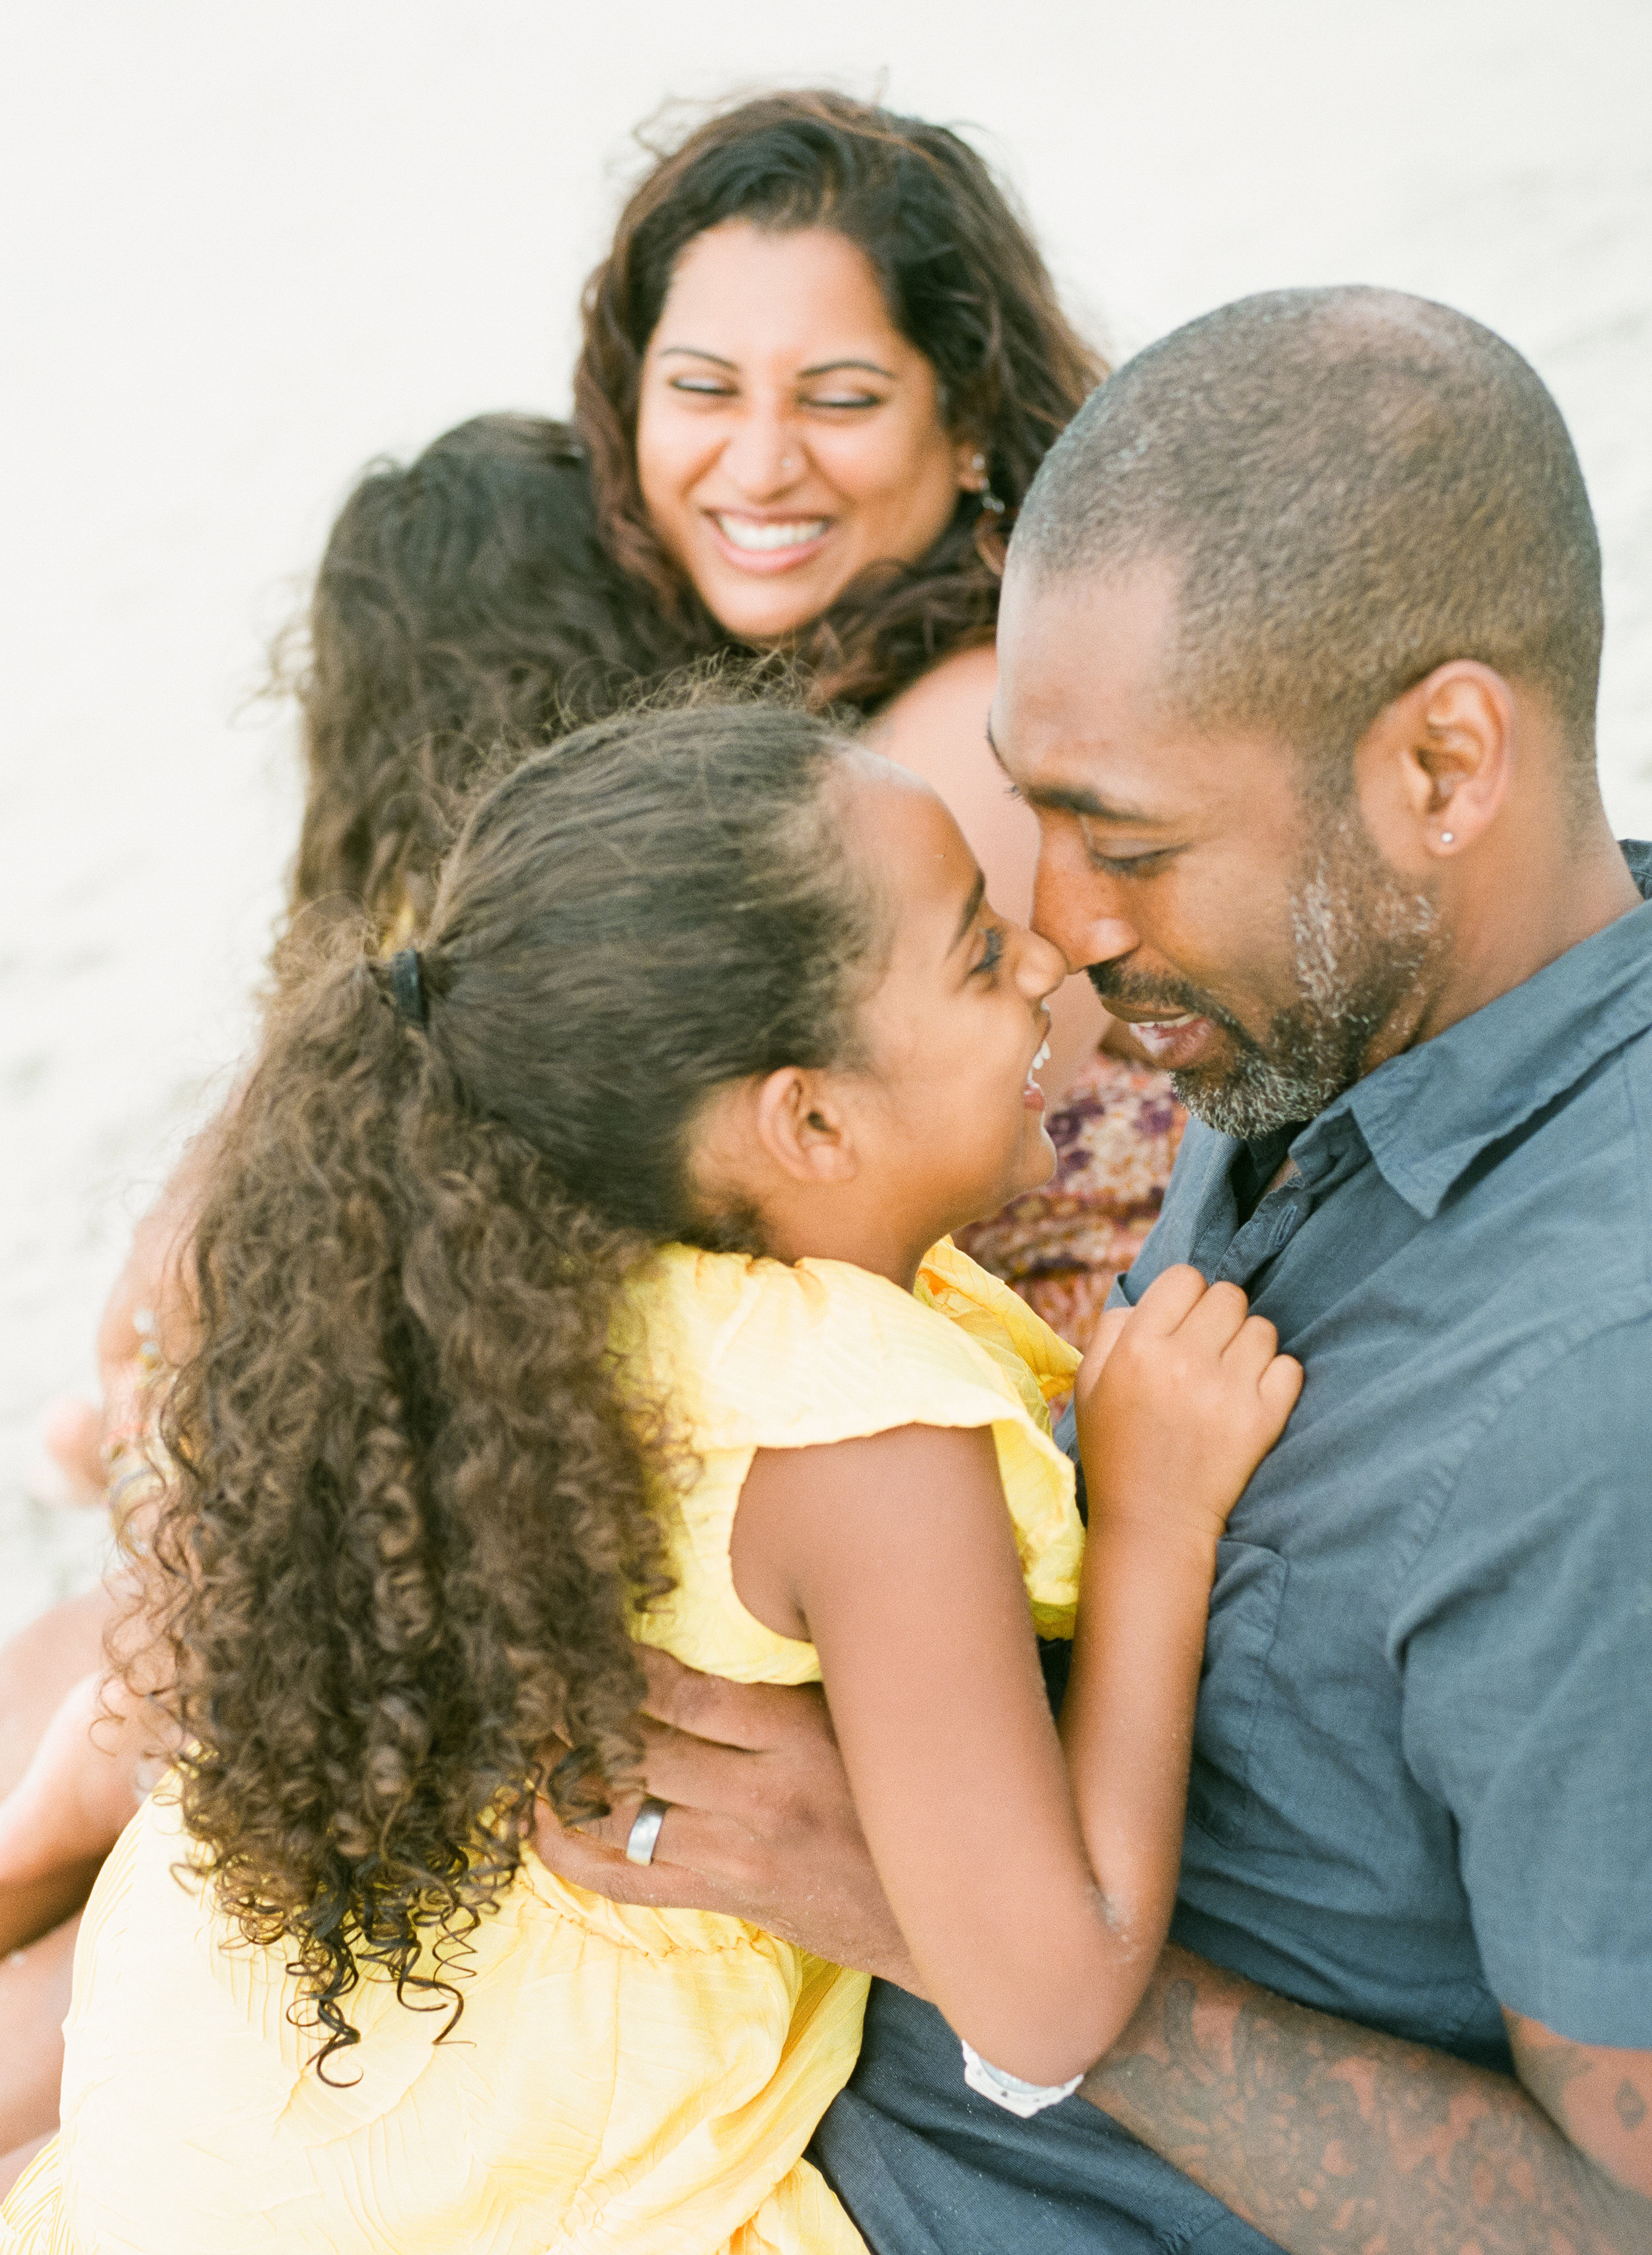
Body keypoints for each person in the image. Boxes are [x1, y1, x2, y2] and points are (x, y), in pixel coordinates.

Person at [524, 287, 1652, 2254]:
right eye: (1035, 812)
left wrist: (895, 1889)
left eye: (1119, 838)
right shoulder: (1330, 997)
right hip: (739, 2112)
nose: (1058, 923)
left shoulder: (1594, 1398)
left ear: (1447, 762)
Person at [0, 700, 1298, 2249]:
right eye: (971, 955)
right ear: (805, 1120)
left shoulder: (482, 1293)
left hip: (186, 2143)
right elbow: (1047, 1995)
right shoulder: (860, 1433)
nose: (1040, 961)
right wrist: (1156, 1518)